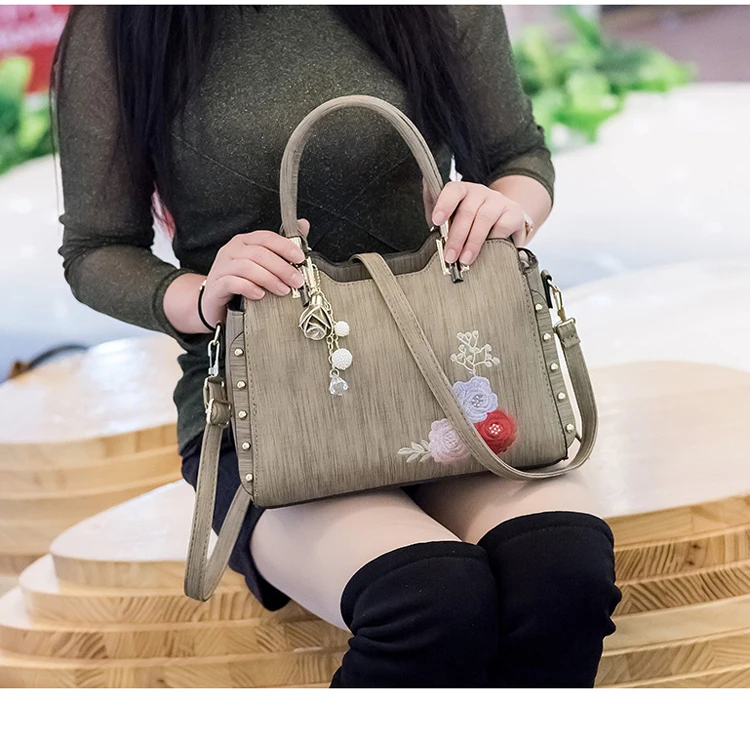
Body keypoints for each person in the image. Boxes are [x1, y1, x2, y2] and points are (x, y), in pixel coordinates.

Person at [52, 4, 622, 688]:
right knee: (428, 603)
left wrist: (506, 208)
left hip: (449, 377)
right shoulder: (119, 22)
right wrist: (203, 295)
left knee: (563, 574)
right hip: (270, 411)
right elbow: (97, 249)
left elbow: (516, 157)